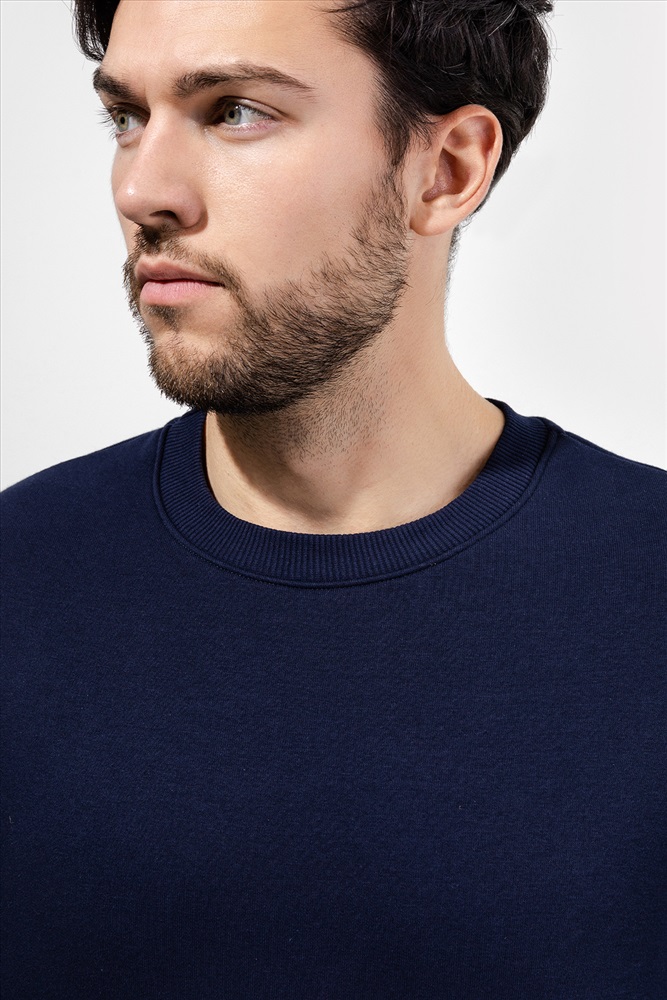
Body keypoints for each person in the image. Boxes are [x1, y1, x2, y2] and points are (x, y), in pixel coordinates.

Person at [1, 1, 664, 996]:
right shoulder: (19, 580)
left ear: (446, 171)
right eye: (127, 117)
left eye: (234, 111)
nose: (142, 189)